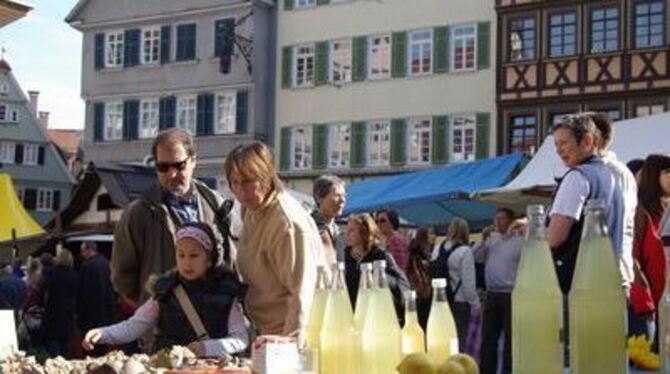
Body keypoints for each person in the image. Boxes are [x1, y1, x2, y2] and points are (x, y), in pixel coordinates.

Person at [82, 223, 248, 356]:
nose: (187, 262)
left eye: (194, 255)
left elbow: (240, 339)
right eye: (181, 255)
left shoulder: (226, 294)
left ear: (209, 260)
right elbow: (135, 326)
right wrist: (102, 334)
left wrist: (209, 347)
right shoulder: (165, 291)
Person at [111, 128, 231, 306]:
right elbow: (123, 278)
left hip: (212, 322)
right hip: (163, 326)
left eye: (178, 165)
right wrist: (155, 308)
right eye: (163, 167)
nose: (171, 174)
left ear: (193, 161)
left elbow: (229, 262)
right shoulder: (139, 213)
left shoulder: (215, 204)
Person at [224, 142, 320, 338]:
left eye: (249, 181)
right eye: (234, 182)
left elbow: (302, 295)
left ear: (266, 176)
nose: (241, 192)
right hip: (264, 331)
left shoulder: (286, 224)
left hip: (289, 334)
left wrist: (289, 351)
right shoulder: (251, 209)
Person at [547, 113, 630, 294]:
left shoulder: (577, 177)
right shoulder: (610, 176)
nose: (559, 150)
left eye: (564, 143)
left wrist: (532, 232)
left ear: (587, 141)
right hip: (607, 279)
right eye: (556, 145)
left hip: (577, 283)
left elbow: (555, 237)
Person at [472, 208, 523, 374]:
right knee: (488, 338)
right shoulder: (492, 241)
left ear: (510, 221)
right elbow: (474, 256)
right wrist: (482, 239)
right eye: (496, 219)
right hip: (492, 294)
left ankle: (508, 371)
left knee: (510, 339)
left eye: (501, 219)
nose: (497, 222)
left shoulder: (520, 241)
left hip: (510, 294)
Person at [629, 154, 670, 343]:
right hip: (647, 302)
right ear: (654, 175)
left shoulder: (664, 209)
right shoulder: (641, 212)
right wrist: (644, 300)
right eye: (667, 172)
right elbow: (635, 260)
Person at [343, 214, 410, 324]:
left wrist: (379, 276)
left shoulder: (381, 256)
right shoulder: (347, 257)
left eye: (351, 231)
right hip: (354, 318)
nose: (347, 234)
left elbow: (401, 284)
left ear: (364, 233)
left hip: (377, 319)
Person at [429, 217, 480, 353]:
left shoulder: (438, 248)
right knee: (459, 339)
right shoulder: (465, 251)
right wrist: (475, 304)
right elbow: (468, 283)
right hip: (459, 302)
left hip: (440, 301)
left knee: (442, 338)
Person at [77, 242, 116, 356]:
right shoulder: (107, 264)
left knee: (89, 347)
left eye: (83, 251)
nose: (82, 254)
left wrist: (79, 314)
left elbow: (81, 292)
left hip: (89, 314)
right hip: (105, 312)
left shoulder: (86, 266)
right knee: (103, 346)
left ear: (89, 250)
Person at [42, 248, 78, 358]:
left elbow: (43, 293)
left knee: (53, 346)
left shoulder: (52, 273)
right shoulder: (74, 275)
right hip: (68, 315)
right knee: (66, 346)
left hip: (52, 314)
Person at [311, 175, 347, 264]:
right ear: (319, 198)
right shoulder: (310, 227)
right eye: (337, 195)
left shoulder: (338, 230)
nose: (342, 200)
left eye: (344, 195)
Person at [406, 227, 435, 329]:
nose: (434, 237)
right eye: (430, 234)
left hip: (421, 293)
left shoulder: (426, 252)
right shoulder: (419, 254)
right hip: (421, 294)